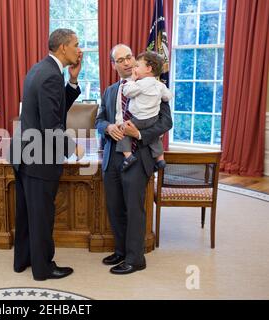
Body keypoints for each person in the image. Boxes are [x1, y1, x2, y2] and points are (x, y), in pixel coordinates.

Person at [9, 29, 84, 281]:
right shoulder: (51, 75)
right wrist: (72, 146)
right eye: (76, 44)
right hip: (39, 157)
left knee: (27, 213)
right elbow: (52, 123)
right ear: (63, 47)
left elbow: (52, 106)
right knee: (41, 215)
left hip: (24, 154)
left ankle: (23, 261)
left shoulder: (40, 68)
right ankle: (43, 269)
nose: (79, 49)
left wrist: (72, 82)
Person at [95, 44, 173, 275]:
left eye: (130, 57)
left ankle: (135, 258)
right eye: (121, 60)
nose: (127, 62)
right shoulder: (110, 91)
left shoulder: (156, 87)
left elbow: (166, 122)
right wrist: (108, 128)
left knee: (134, 208)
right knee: (116, 207)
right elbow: (98, 121)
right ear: (114, 65)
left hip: (138, 156)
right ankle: (121, 251)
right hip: (112, 156)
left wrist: (137, 134)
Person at [115, 51, 173, 171]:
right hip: (153, 119)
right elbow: (168, 96)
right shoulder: (160, 85)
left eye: (137, 66)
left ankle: (128, 156)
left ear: (148, 68)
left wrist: (132, 80)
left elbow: (128, 92)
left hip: (139, 119)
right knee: (155, 138)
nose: (133, 68)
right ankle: (160, 158)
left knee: (123, 130)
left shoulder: (139, 84)